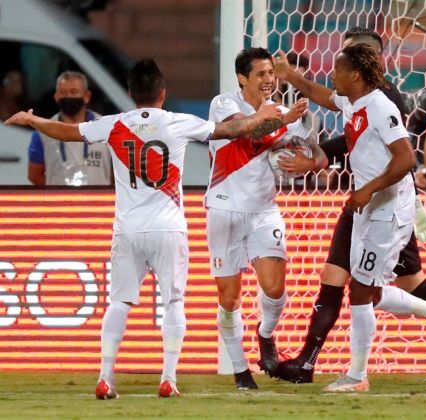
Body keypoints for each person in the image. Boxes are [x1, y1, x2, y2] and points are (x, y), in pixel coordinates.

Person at [5, 59, 284, 399]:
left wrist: (33, 119)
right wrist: (267, 116)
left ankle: (105, 376)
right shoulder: (179, 122)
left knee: (119, 302)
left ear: (130, 94)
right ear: (163, 93)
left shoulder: (113, 124)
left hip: (128, 229)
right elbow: (230, 131)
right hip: (168, 227)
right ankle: (169, 377)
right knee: (174, 300)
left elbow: (69, 132)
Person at [271, 28, 426, 386]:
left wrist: (368, 188)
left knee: (362, 292)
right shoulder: (353, 101)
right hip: (369, 209)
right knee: (371, 290)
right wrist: (290, 76)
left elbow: (405, 158)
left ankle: (356, 375)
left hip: (387, 210)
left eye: (337, 70)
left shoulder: (381, 106)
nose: (332, 76)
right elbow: (322, 95)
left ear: (356, 74)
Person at [206, 47, 325, 390]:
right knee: (229, 298)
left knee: (274, 287)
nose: (269, 80)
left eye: (272, 73)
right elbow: (243, 131)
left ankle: (266, 334)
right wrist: (282, 120)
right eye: (261, 74)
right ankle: (241, 371)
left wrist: (311, 163)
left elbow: (313, 147)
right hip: (225, 208)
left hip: (263, 210)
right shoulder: (224, 104)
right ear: (242, 78)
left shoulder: (286, 113)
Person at [27, 71, 112, 186]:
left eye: (74, 92)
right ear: (56, 97)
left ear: (86, 96)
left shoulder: (106, 128)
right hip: (60, 203)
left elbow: (118, 173)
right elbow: (34, 175)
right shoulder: (43, 132)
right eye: (63, 93)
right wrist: (57, 194)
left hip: (97, 202)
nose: (68, 97)